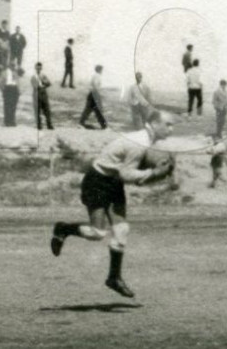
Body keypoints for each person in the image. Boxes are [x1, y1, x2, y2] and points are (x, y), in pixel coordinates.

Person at [50, 110, 177, 299]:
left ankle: (114, 278)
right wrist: (154, 173)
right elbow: (127, 175)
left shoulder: (147, 141)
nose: (171, 129)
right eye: (168, 124)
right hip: (98, 181)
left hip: (113, 182)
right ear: (155, 123)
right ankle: (63, 229)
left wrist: (156, 173)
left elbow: (128, 174)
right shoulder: (139, 142)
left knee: (122, 230)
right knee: (97, 233)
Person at [80, 65, 108, 129]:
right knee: (97, 109)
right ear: (99, 70)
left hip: (92, 94)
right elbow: (95, 85)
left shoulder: (95, 76)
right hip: (95, 94)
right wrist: (99, 93)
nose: (102, 71)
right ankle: (103, 125)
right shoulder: (97, 76)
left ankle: (82, 121)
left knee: (89, 109)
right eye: (101, 70)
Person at [31, 63, 54, 131]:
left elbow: (49, 83)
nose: (38, 69)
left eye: (40, 68)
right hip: (36, 94)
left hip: (44, 93)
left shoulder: (43, 76)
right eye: (37, 68)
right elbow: (35, 86)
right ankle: (39, 125)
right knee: (37, 110)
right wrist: (42, 83)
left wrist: (43, 83)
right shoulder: (33, 77)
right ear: (35, 68)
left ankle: (49, 124)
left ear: (41, 68)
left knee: (47, 110)